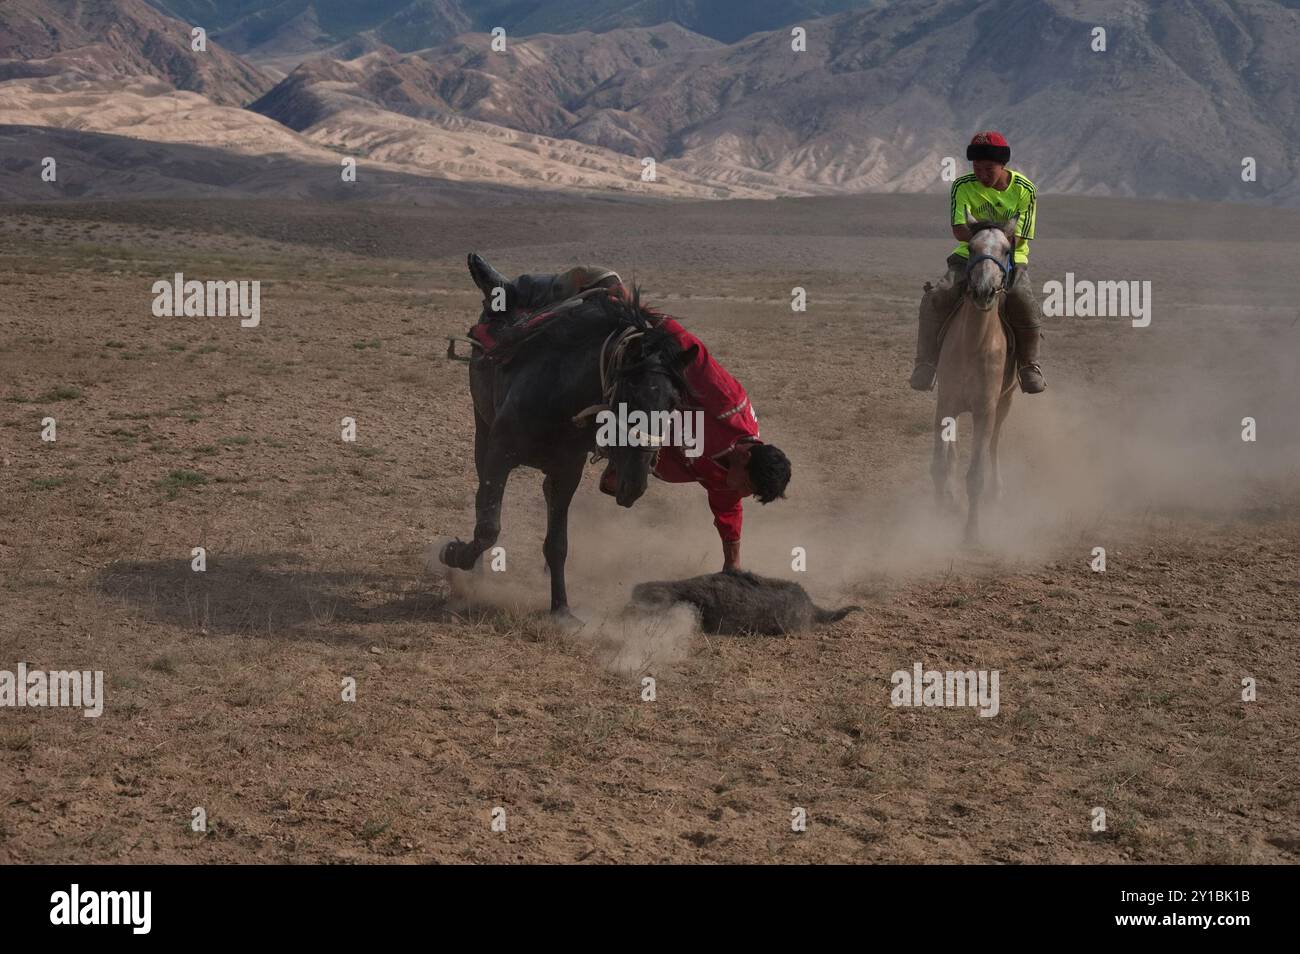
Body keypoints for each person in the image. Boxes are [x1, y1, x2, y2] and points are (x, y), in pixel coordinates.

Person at [501, 264, 791, 571]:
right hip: (647, 398)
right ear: (744, 455)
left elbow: (728, 509)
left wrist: (732, 564)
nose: (742, 493)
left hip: (644, 433)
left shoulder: (729, 476)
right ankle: (512, 292)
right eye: (746, 485)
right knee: (593, 292)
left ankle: (599, 472)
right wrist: (630, 304)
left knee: (606, 445)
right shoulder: (728, 403)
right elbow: (691, 349)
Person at [910, 131, 1045, 394]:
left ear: (1002, 165)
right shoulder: (962, 186)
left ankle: (1029, 365)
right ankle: (925, 364)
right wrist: (986, 241)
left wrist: (993, 241)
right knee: (937, 297)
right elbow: (959, 230)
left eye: (988, 169)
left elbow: (1021, 236)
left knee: (1024, 302)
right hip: (969, 255)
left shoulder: (1024, 190)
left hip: (1010, 258)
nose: (982, 174)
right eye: (977, 168)